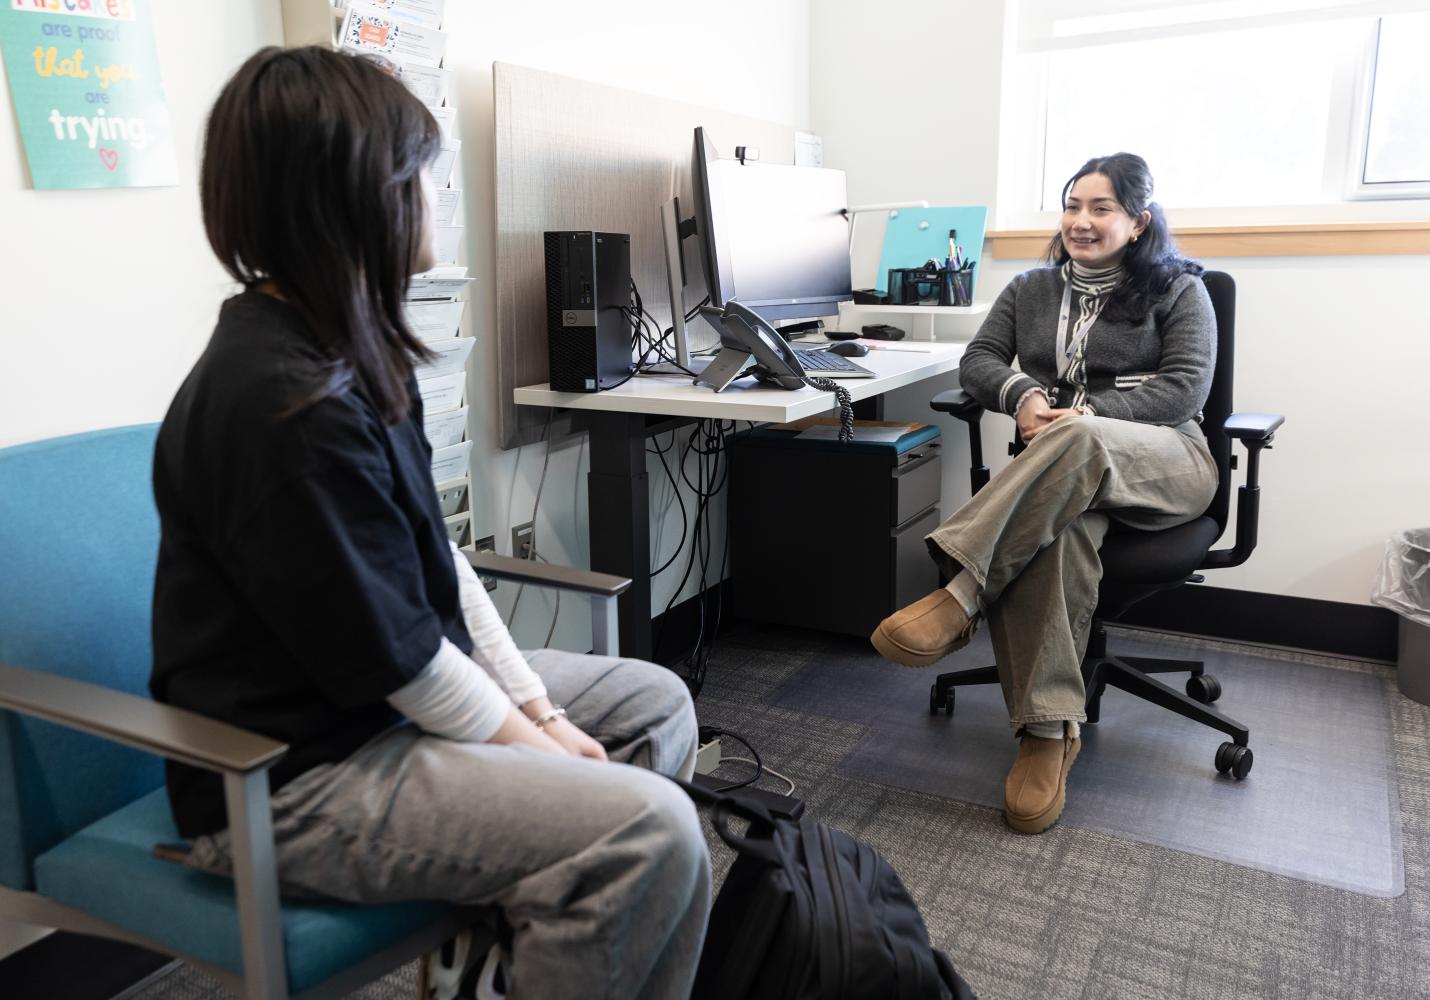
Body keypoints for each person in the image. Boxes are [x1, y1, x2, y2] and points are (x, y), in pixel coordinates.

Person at [149, 46, 709, 999]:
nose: (432, 199)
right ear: (349, 200)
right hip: (290, 777)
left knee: (652, 706)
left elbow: (439, 565)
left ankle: (514, 955)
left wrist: (539, 713)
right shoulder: (281, 404)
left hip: (377, 712)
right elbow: (404, 662)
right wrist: (550, 757)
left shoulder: (352, 350)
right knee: (644, 830)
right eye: (418, 177)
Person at [870, 153, 1217, 836]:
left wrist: (1086, 417)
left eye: (1101, 208)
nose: (1081, 221)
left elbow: (1184, 390)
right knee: (1056, 534)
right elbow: (978, 361)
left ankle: (963, 593)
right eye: (1072, 206)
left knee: (1080, 438)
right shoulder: (1030, 288)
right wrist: (1023, 396)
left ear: (1139, 222)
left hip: (1169, 464)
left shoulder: (1180, 290)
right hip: (1063, 479)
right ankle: (1047, 733)